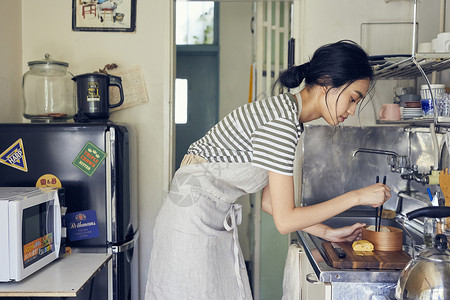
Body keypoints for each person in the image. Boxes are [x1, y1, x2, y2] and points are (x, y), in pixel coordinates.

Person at [145, 40, 391, 300]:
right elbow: (285, 221)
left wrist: (327, 232)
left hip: (206, 217)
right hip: (191, 220)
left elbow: (270, 203)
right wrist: (357, 196)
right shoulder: (282, 123)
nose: (352, 111)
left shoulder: (288, 117)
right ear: (326, 82)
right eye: (352, 99)